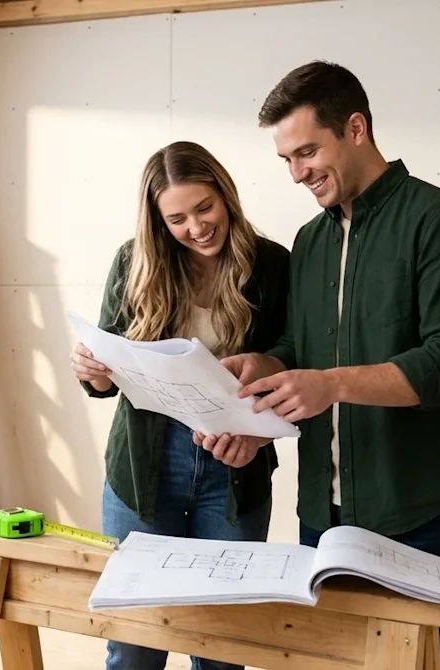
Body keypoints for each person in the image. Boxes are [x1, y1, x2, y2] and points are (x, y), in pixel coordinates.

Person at [202, 61, 440, 670]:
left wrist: (331, 385)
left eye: (308, 151)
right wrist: (262, 365)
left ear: (356, 129)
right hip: (322, 512)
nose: (297, 173)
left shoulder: (439, 222)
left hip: (416, 508)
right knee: (330, 661)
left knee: (421, 662)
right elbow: (300, 349)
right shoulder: (310, 241)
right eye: (286, 159)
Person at [70, 140, 291, 670]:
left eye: (204, 208)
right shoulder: (134, 261)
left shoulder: (273, 263)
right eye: (177, 219)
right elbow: (106, 371)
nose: (196, 228)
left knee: (222, 644)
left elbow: (296, 353)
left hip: (235, 465)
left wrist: (265, 367)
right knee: (135, 640)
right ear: (158, 222)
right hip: (144, 464)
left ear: (226, 195)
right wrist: (92, 373)